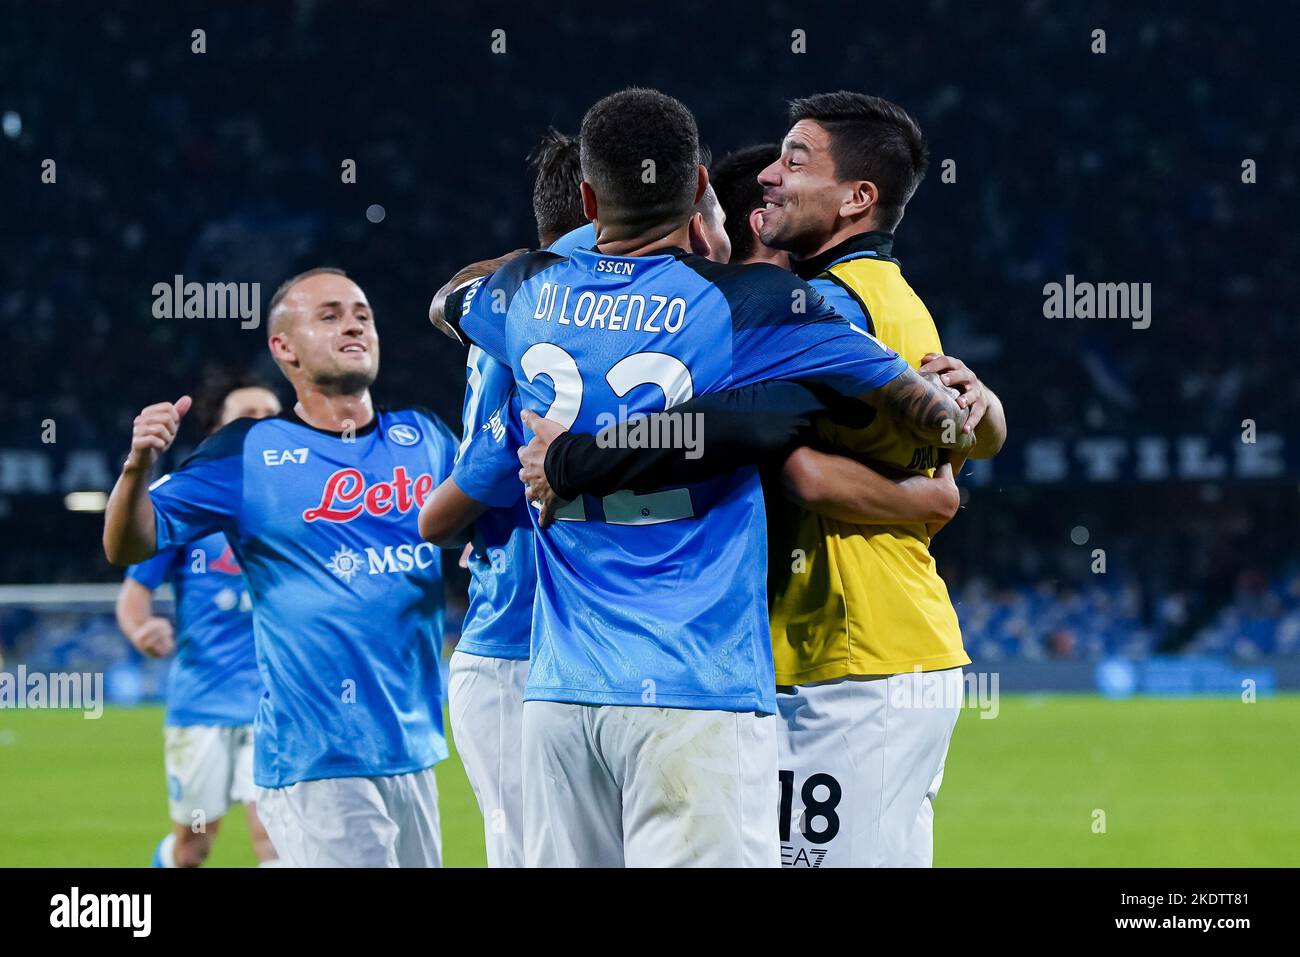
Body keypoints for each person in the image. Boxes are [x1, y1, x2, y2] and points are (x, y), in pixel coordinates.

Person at [432, 87, 970, 867]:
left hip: (560, 692)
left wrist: (582, 237)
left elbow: (448, 299)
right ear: (697, 193)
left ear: (587, 199)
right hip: (695, 686)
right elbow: (931, 414)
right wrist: (966, 424)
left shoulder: (526, 293)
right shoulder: (753, 307)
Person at [103, 268, 458, 867]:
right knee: (200, 843)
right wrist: (137, 466)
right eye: (329, 314)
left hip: (413, 747)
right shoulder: (246, 453)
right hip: (314, 755)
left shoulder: (426, 438)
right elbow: (129, 546)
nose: (353, 322)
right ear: (283, 348)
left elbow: (492, 532)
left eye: (362, 313)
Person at [117, 375, 281, 867]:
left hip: (276, 704)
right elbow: (134, 592)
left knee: (272, 837)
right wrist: (141, 629)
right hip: (202, 702)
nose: (260, 427)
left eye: (271, 417)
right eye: (245, 418)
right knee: (194, 847)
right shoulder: (194, 507)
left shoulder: (305, 504)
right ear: (219, 432)